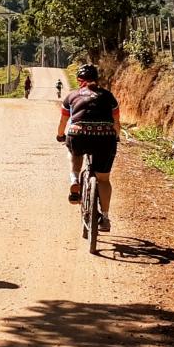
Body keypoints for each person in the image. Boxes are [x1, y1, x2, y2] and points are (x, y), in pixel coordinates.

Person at [55, 63, 121, 232]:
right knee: (104, 179)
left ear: (79, 80)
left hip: (78, 135)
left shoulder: (72, 96)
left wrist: (60, 135)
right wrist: (116, 136)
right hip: (104, 139)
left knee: (74, 152)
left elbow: (63, 121)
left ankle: (75, 179)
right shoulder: (108, 96)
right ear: (97, 80)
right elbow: (116, 123)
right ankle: (105, 218)